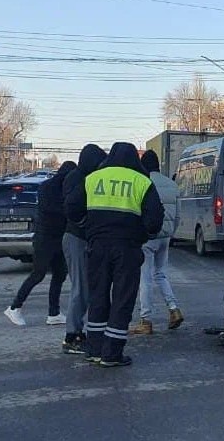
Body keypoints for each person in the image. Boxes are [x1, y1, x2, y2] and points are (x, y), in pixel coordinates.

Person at [65, 142, 163, 367]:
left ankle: (94, 349)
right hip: (127, 248)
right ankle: (112, 353)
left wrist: (87, 226)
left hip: (97, 245)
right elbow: (155, 219)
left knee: (98, 295)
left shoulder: (94, 178)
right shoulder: (142, 181)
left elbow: (71, 207)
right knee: (122, 298)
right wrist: (143, 234)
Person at [4, 161, 77, 326]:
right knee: (38, 274)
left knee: (59, 274)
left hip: (57, 238)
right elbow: (56, 210)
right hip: (45, 238)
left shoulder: (56, 187)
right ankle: (14, 307)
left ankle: (54, 313)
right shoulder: (49, 188)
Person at [60, 144, 107, 354]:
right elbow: (73, 208)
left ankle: (78, 331)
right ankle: (72, 336)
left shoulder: (78, 177)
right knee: (80, 288)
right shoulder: (79, 179)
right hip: (76, 238)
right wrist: (86, 222)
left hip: (79, 238)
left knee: (85, 287)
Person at [130, 150, 183, 335]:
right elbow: (177, 215)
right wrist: (171, 232)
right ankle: (173, 308)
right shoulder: (171, 184)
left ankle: (146, 320)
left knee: (145, 278)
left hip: (148, 237)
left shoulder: (142, 182)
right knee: (161, 274)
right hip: (165, 237)